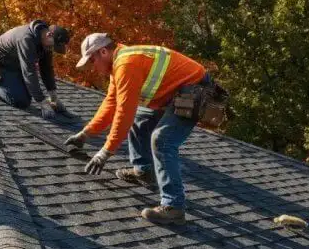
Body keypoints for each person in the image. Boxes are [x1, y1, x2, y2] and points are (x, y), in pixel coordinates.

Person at [64, 33, 210, 225]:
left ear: (103, 51)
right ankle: (144, 171)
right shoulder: (118, 63)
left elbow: (124, 112)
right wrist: (85, 134)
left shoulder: (126, 65)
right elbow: (112, 103)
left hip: (195, 92)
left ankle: (174, 207)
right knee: (140, 119)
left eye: (92, 61)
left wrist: (105, 152)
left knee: (162, 141)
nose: (93, 67)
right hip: (174, 94)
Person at [0, 20, 73, 118]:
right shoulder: (26, 38)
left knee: (29, 97)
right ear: (48, 35)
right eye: (53, 46)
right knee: (20, 101)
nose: (52, 49)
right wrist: (42, 102)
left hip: (15, 66)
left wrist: (54, 97)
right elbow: (29, 72)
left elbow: (46, 69)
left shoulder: (46, 43)